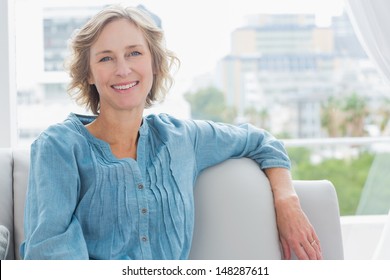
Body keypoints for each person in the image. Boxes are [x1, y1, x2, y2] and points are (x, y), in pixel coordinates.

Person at [20, 5, 322, 260]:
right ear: (88, 73)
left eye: (134, 53)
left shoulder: (181, 138)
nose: (123, 69)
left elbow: (262, 142)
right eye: (106, 58)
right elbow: (50, 258)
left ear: (154, 63)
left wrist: (287, 202)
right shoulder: (58, 148)